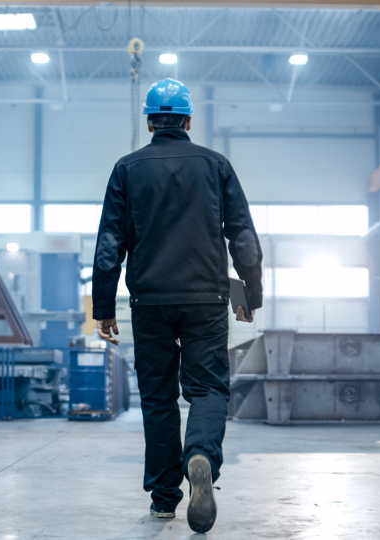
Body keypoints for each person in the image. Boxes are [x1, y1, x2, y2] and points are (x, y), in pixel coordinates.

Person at [92, 78, 263, 534]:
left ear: (149, 121)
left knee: (158, 396)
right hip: (207, 298)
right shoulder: (216, 165)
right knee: (207, 388)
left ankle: (165, 499)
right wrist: (252, 292)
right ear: (188, 121)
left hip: (148, 300)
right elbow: (242, 236)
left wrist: (104, 306)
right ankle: (202, 454)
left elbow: (111, 242)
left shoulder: (127, 168)